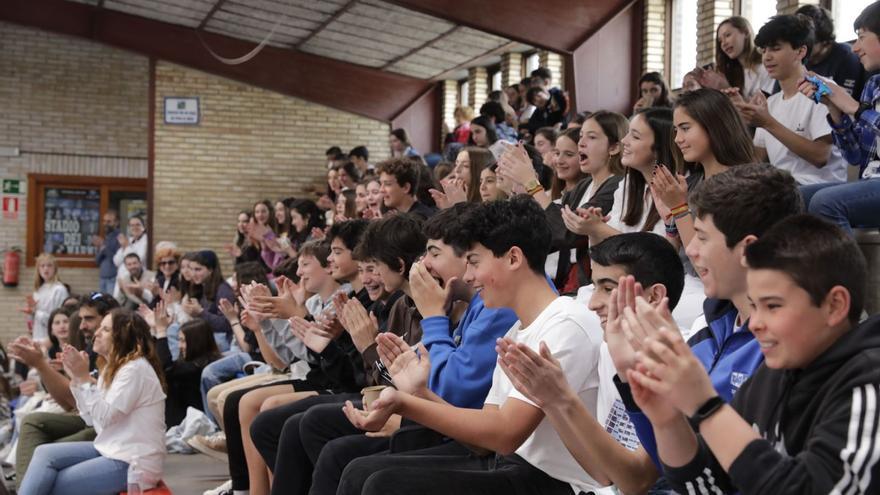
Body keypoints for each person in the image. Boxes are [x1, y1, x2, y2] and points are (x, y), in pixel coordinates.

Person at [340, 196, 605, 495]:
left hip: (556, 483)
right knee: (362, 473)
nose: (467, 277)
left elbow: (504, 435)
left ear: (514, 258)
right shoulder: (520, 329)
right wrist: (419, 392)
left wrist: (406, 403)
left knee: (383, 484)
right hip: (511, 467)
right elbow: (483, 442)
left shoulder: (564, 324)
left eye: (475, 262)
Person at [631, 215, 879, 494]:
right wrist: (668, 421)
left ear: (835, 305)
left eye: (772, 306)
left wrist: (706, 406)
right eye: (754, 306)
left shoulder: (868, 386)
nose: (756, 323)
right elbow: (705, 486)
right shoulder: (774, 375)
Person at [612, 164, 804, 471]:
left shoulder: (785, 351)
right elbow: (670, 464)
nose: (691, 249)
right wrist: (629, 372)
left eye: (702, 237)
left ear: (748, 249)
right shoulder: (710, 328)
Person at [495, 232, 686, 494]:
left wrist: (562, 398)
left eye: (608, 289)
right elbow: (603, 474)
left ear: (653, 297)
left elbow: (637, 482)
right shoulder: (608, 351)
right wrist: (550, 400)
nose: (594, 303)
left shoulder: (683, 364)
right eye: (594, 286)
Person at [17, 309, 166, 495]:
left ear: (123, 335)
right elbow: (90, 419)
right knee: (43, 453)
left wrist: (84, 379)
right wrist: (77, 380)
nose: (96, 333)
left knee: (51, 485)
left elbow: (106, 418)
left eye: (105, 329)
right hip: (111, 449)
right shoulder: (112, 367)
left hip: (132, 461)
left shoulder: (135, 369)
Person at [797, 0, 880, 234]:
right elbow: (855, 157)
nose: (855, 47)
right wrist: (834, 108)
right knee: (794, 198)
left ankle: (845, 270)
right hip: (871, 181)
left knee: (826, 201)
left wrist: (854, 107)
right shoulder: (873, 85)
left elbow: (857, 110)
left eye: (862, 37)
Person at [739, 14, 847, 186]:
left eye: (775, 48)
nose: (766, 57)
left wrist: (768, 123)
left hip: (817, 186)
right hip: (782, 187)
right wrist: (732, 115)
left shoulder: (822, 89)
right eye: (764, 50)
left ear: (800, 51)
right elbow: (755, 161)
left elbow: (820, 156)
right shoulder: (771, 103)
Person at [155, 313, 221, 428]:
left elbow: (165, 368)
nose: (180, 346)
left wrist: (161, 331)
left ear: (196, 342)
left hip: (191, 429)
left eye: (183, 341)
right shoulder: (190, 363)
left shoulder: (199, 368)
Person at [796, 4, 866, 97]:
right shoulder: (800, 60)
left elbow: (845, 102)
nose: (799, 48)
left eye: (807, 44)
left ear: (824, 40)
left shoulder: (847, 57)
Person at [697, 16, 773, 101]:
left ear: (746, 32)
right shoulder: (731, 73)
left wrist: (726, 88)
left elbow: (761, 110)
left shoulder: (768, 67)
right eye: (720, 41)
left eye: (727, 35)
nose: (724, 44)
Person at [184, 250, 235, 352]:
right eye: (191, 269)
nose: (193, 274)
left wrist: (201, 312)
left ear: (211, 270)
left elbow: (226, 324)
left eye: (198, 269)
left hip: (223, 339)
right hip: (209, 335)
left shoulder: (223, 290)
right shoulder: (201, 286)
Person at [27, 254, 69, 346]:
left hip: (51, 340)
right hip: (37, 336)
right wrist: (30, 314)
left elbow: (57, 319)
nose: (46, 269)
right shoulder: (38, 290)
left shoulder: (59, 290)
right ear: (38, 269)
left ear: (55, 269)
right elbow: (33, 318)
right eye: (42, 266)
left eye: (49, 265)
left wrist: (36, 312)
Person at [112, 215, 148, 296]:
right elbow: (116, 261)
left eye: (137, 225)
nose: (135, 227)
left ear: (143, 227)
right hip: (121, 278)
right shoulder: (129, 240)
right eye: (132, 225)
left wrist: (126, 246)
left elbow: (139, 259)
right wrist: (124, 246)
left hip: (135, 279)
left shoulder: (146, 241)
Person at [92, 210, 120, 295]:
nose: (105, 224)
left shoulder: (119, 237)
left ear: (116, 223)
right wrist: (100, 247)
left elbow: (116, 259)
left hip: (113, 278)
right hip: (102, 278)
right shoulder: (105, 237)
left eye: (109, 221)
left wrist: (103, 247)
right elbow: (97, 261)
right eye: (104, 221)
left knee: (110, 305)